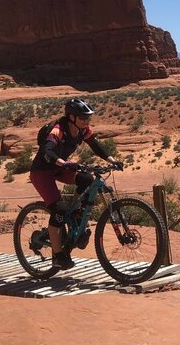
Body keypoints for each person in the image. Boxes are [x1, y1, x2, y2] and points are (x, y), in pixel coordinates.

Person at [29, 97, 122, 270]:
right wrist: (63, 163)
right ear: (72, 117)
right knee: (59, 210)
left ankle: (76, 216)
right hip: (42, 172)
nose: (87, 121)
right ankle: (57, 256)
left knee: (87, 179)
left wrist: (112, 159)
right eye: (83, 118)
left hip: (60, 168)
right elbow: (46, 151)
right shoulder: (58, 130)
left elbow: (95, 145)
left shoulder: (83, 130)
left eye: (88, 118)